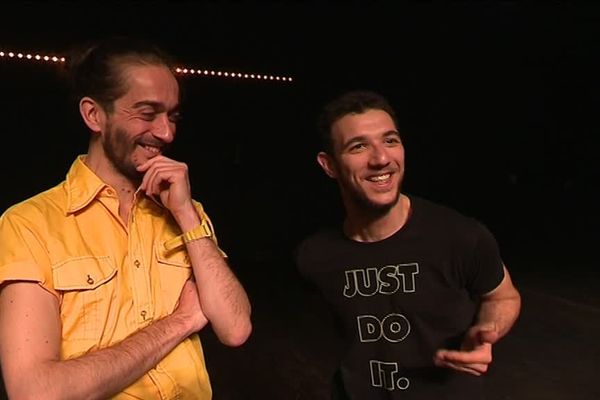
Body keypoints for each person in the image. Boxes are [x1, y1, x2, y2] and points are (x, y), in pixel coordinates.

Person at [0, 36, 252, 399]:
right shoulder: (30, 224)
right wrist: (179, 322)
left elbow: (236, 327)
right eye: (147, 114)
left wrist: (185, 214)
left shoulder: (186, 212)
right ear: (94, 115)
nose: (167, 132)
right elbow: (36, 392)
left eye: (172, 115)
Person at [295, 90, 521, 399]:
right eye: (358, 146)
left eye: (390, 141)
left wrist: (487, 332)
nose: (381, 159)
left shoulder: (460, 236)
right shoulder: (315, 256)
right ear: (329, 165)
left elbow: (503, 298)